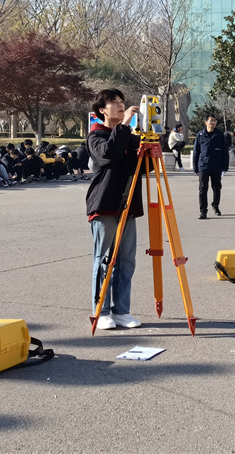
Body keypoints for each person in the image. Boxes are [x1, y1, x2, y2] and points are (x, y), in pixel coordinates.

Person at [86, 88, 144, 330]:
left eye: (122, 101)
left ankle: (122, 310)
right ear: (102, 110)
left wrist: (149, 142)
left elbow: (144, 167)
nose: (121, 106)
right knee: (104, 260)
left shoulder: (127, 134)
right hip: (105, 204)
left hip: (127, 204)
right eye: (114, 102)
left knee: (126, 260)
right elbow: (109, 153)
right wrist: (125, 125)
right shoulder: (96, 135)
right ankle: (101, 311)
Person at [192, 115, 229, 219]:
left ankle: (215, 205)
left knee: (217, 188)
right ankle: (203, 211)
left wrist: (225, 167)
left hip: (216, 165)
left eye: (215, 121)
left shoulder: (219, 135)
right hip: (203, 165)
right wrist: (195, 167)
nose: (213, 123)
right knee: (203, 189)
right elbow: (196, 152)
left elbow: (225, 152)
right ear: (206, 122)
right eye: (211, 120)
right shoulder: (200, 135)